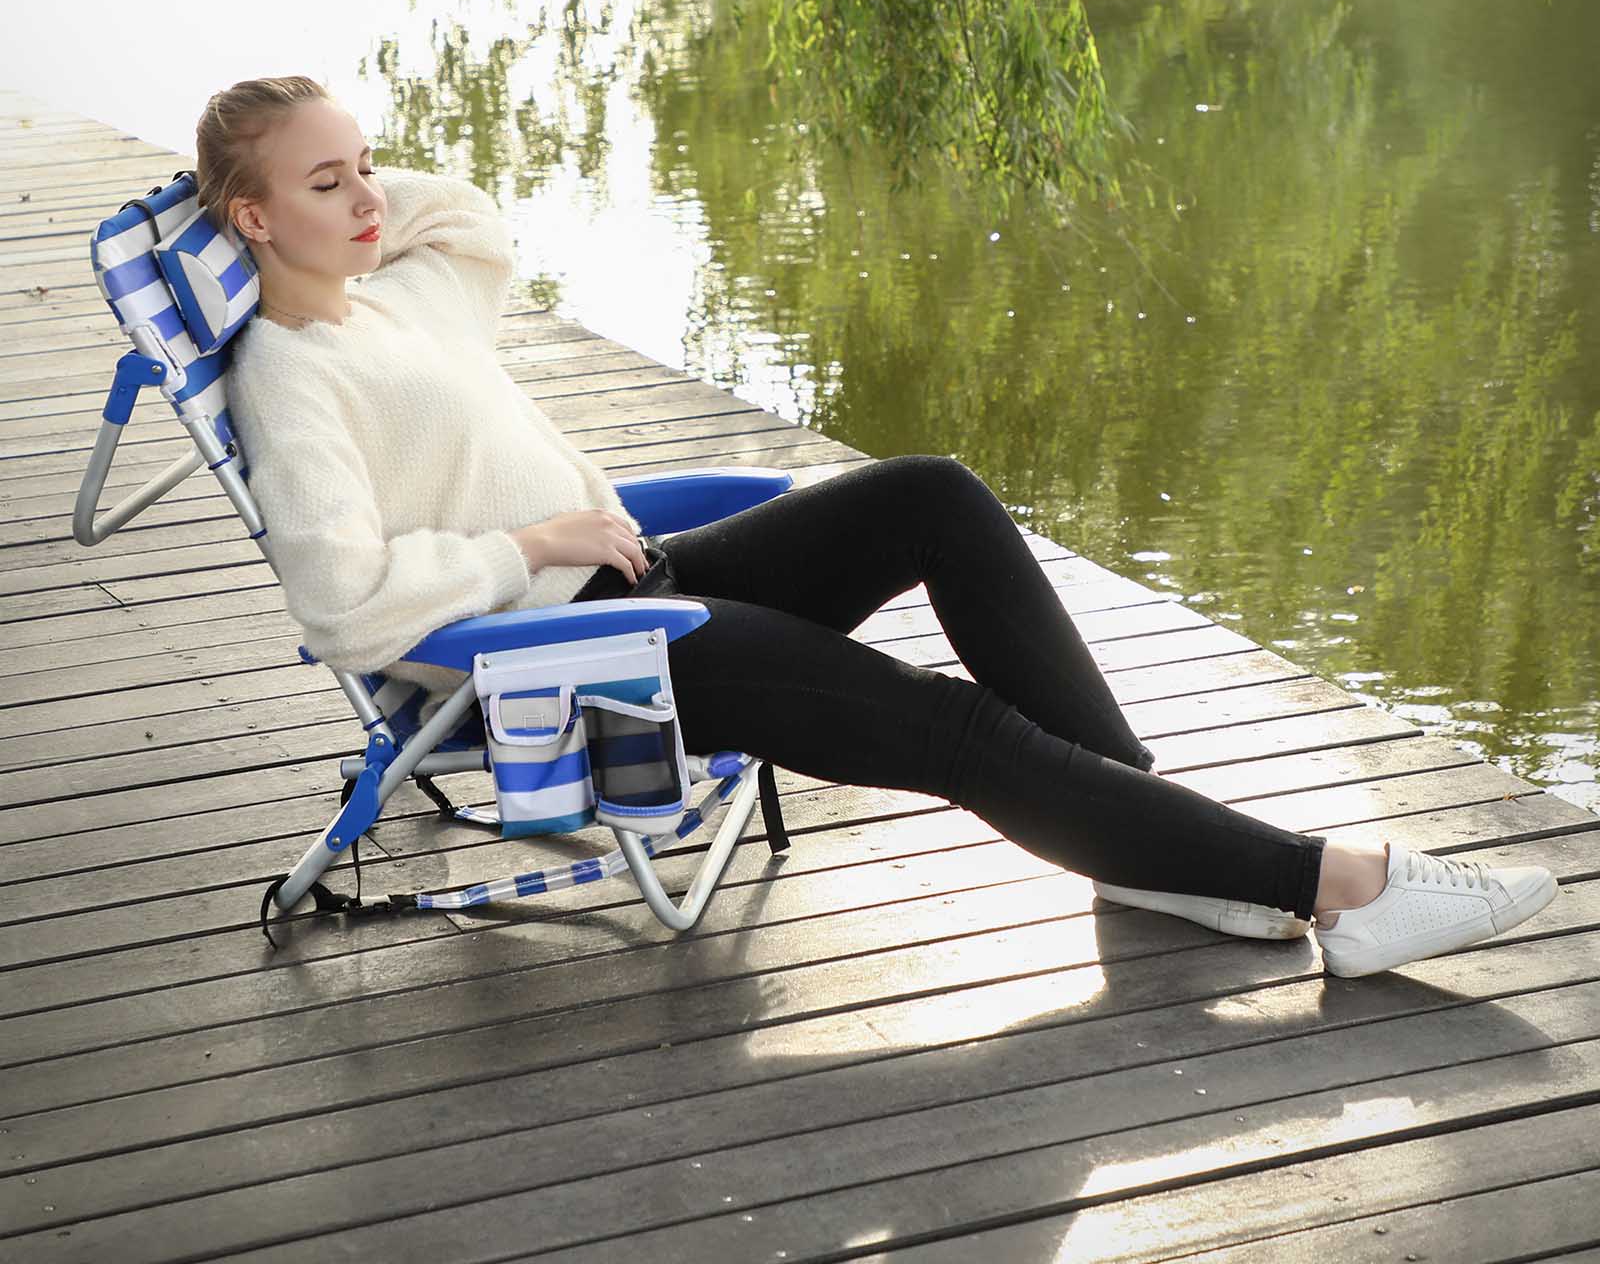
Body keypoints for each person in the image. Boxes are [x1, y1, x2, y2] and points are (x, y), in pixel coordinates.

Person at [198, 75, 1558, 980]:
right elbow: (342, 603)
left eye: (367, 166)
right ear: (252, 216)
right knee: (956, 727)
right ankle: (1342, 889)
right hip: (566, 662)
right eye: (329, 185)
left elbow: (474, 226)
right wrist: (533, 548)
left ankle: (1146, 838)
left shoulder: (390, 298)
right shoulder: (290, 375)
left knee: (933, 495)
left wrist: (334, 191)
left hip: (639, 583)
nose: (373, 200)